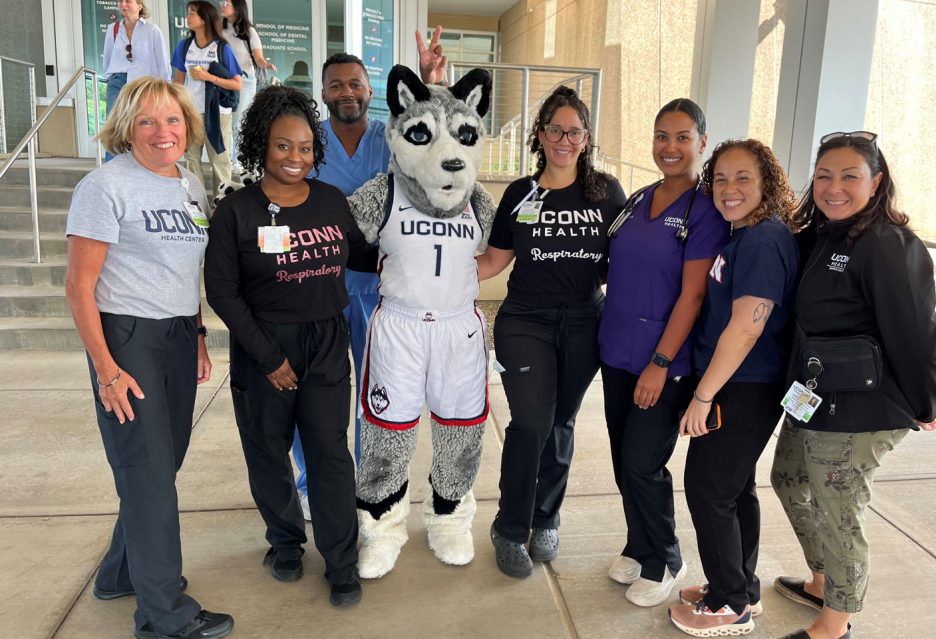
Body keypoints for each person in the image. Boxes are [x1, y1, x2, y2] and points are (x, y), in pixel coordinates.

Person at [64, 76, 233, 639]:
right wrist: (107, 369)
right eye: (148, 122)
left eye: (173, 121)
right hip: (127, 339)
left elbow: (186, 272)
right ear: (127, 128)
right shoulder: (104, 186)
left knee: (160, 465)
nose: (164, 132)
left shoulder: (189, 186)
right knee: (149, 472)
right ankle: (164, 612)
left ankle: (118, 574)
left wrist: (199, 334)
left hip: (179, 338)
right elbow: (78, 288)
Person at [767, 132, 936, 639]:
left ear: (877, 182)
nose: (834, 187)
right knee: (790, 479)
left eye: (849, 176)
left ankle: (837, 621)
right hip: (814, 397)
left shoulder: (887, 243)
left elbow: (916, 333)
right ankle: (823, 581)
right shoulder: (826, 235)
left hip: (862, 408)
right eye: (824, 175)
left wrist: (924, 401)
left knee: (838, 507)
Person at [204, 85, 377, 608]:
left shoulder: (329, 201)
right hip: (265, 346)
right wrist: (270, 357)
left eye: (304, 147)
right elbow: (222, 293)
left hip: (325, 342)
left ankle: (342, 562)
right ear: (262, 145)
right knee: (268, 454)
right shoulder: (237, 211)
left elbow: (364, 258)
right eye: (283, 146)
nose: (295, 158)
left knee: (329, 453)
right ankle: (284, 543)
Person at [289, 29, 449, 521]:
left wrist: (431, 85)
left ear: (369, 88)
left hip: (383, 291)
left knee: (378, 395)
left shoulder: (390, 134)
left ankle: (369, 485)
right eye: (336, 85)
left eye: (355, 83)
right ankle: (312, 482)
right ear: (323, 94)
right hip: (320, 288)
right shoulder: (307, 143)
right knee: (317, 393)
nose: (347, 93)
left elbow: (440, 146)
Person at [477, 86, 626, 578]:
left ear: (586, 138)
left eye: (574, 131)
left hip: (586, 321)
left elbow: (624, 266)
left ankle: (547, 518)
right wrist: (423, 267)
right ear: (540, 135)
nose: (565, 139)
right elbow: (494, 261)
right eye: (555, 129)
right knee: (532, 423)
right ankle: (509, 525)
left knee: (562, 424)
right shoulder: (521, 193)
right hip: (526, 320)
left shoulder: (606, 193)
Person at [598, 99, 729, 607]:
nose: (669, 147)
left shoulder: (705, 211)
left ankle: (666, 558)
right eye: (660, 136)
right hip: (616, 351)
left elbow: (693, 295)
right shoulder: (638, 199)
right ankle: (639, 542)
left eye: (680, 137)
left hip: (664, 362)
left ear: (701, 142)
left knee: (643, 462)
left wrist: (659, 362)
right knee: (620, 459)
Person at [667, 138, 799, 637]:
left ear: (766, 181)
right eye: (720, 178)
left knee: (709, 490)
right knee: (735, 488)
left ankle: (729, 606)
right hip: (739, 382)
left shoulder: (765, 239)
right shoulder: (742, 235)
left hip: (744, 385)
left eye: (743, 177)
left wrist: (704, 396)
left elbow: (747, 326)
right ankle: (741, 585)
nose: (729, 188)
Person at [171, 1, 242, 194]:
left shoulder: (222, 49)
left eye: (192, 13)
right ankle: (197, 207)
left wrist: (208, 77)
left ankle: (222, 207)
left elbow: (237, 84)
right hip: (192, 112)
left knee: (220, 161)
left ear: (204, 19)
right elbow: (178, 81)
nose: (188, 17)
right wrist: (175, 107)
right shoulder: (184, 46)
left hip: (218, 114)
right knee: (191, 161)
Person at [100, 0, 170, 160]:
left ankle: (143, 166)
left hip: (143, 85)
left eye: (128, 1)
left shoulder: (152, 30)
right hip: (118, 83)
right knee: (114, 128)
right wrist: (110, 78)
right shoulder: (113, 29)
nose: (123, 4)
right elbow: (108, 59)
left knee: (143, 126)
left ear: (140, 5)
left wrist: (164, 90)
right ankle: (112, 171)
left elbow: (163, 63)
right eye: (120, 1)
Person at [220, 0, 276, 173]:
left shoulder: (247, 31)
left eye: (227, 2)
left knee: (237, 121)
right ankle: (226, 160)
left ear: (237, 6)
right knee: (223, 122)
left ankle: (236, 160)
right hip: (222, 80)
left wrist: (265, 64)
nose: (222, 5)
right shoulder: (218, 29)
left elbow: (258, 57)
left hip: (244, 81)